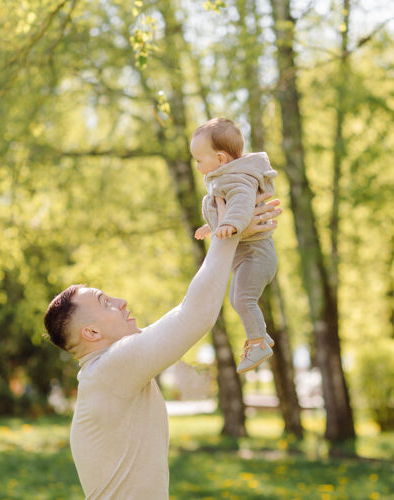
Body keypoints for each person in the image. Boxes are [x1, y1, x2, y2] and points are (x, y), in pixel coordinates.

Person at [43, 194, 281, 500]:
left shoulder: (106, 374)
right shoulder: (111, 368)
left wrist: (231, 234)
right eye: (106, 302)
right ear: (91, 332)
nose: (121, 302)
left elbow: (184, 315)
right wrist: (228, 232)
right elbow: (193, 316)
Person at [191, 117, 278, 373]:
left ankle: (258, 343)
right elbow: (227, 211)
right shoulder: (225, 178)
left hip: (256, 255)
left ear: (219, 160)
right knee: (238, 298)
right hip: (249, 255)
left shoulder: (237, 179)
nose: (197, 166)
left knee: (242, 299)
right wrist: (214, 225)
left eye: (199, 160)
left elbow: (240, 205)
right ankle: (261, 334)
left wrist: (231, 224)